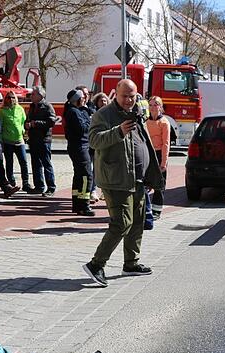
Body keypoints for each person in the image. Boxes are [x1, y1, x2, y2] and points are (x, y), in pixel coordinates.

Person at [83, 79, 163, 287]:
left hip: (137, 178)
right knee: (121, 223)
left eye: (132, 96)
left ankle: (131, 263)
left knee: (137, 221)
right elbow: (94, 140)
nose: (128, 100)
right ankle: (96, 264)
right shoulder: (104, 115)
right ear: (116, 95)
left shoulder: (137, 113)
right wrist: (118, 131)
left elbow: (143, 144)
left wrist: (149, 174)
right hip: (116, 178)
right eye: (124, 96)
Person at [65, 88, 96, 216]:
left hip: (82, 146)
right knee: (85, 176)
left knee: (79, 176)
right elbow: (83, 128)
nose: (84, 99)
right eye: (82, 98)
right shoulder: (73, 112)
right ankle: (84, 205)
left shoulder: (80, 110)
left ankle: (77, 205)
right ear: (76, 100)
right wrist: (91, 121)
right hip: (80, 147)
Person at [25, 85, 57, 195]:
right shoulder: (32, 106)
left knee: (46, 164)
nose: (31, 96)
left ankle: (51, 187)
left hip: (44, 140)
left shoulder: (47, 106)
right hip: (33, 139)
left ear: (40, 95)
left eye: (33, 94)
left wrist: (35, 124)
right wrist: (27, 125)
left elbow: (51, 122)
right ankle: (39, 186)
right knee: (35, 164)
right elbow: (28, 119)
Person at [0, 92, 30, 192]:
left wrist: (23, 131)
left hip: (19, 140)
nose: (11, 99)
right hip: (7, 141)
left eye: (13, 97)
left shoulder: (20, 109)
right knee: (9, 163)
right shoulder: (2, 111)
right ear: (5, 99)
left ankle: (26, 183)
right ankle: (12, 183)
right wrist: (0, 141)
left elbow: (23, 121)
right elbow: (0, 126)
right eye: (8, 97)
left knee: (24, 162)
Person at [146, 96, 171, 219]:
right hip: (149, 154)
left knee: (159, 185)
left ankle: (157, 211)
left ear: (160, 107)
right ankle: (145, 209)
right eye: (150, 105)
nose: (153, 107)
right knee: (146, 183)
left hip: (160, 154)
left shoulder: (164, 122)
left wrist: (163, 163)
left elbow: (166, 143)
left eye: (155, 104)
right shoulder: (146, 121)